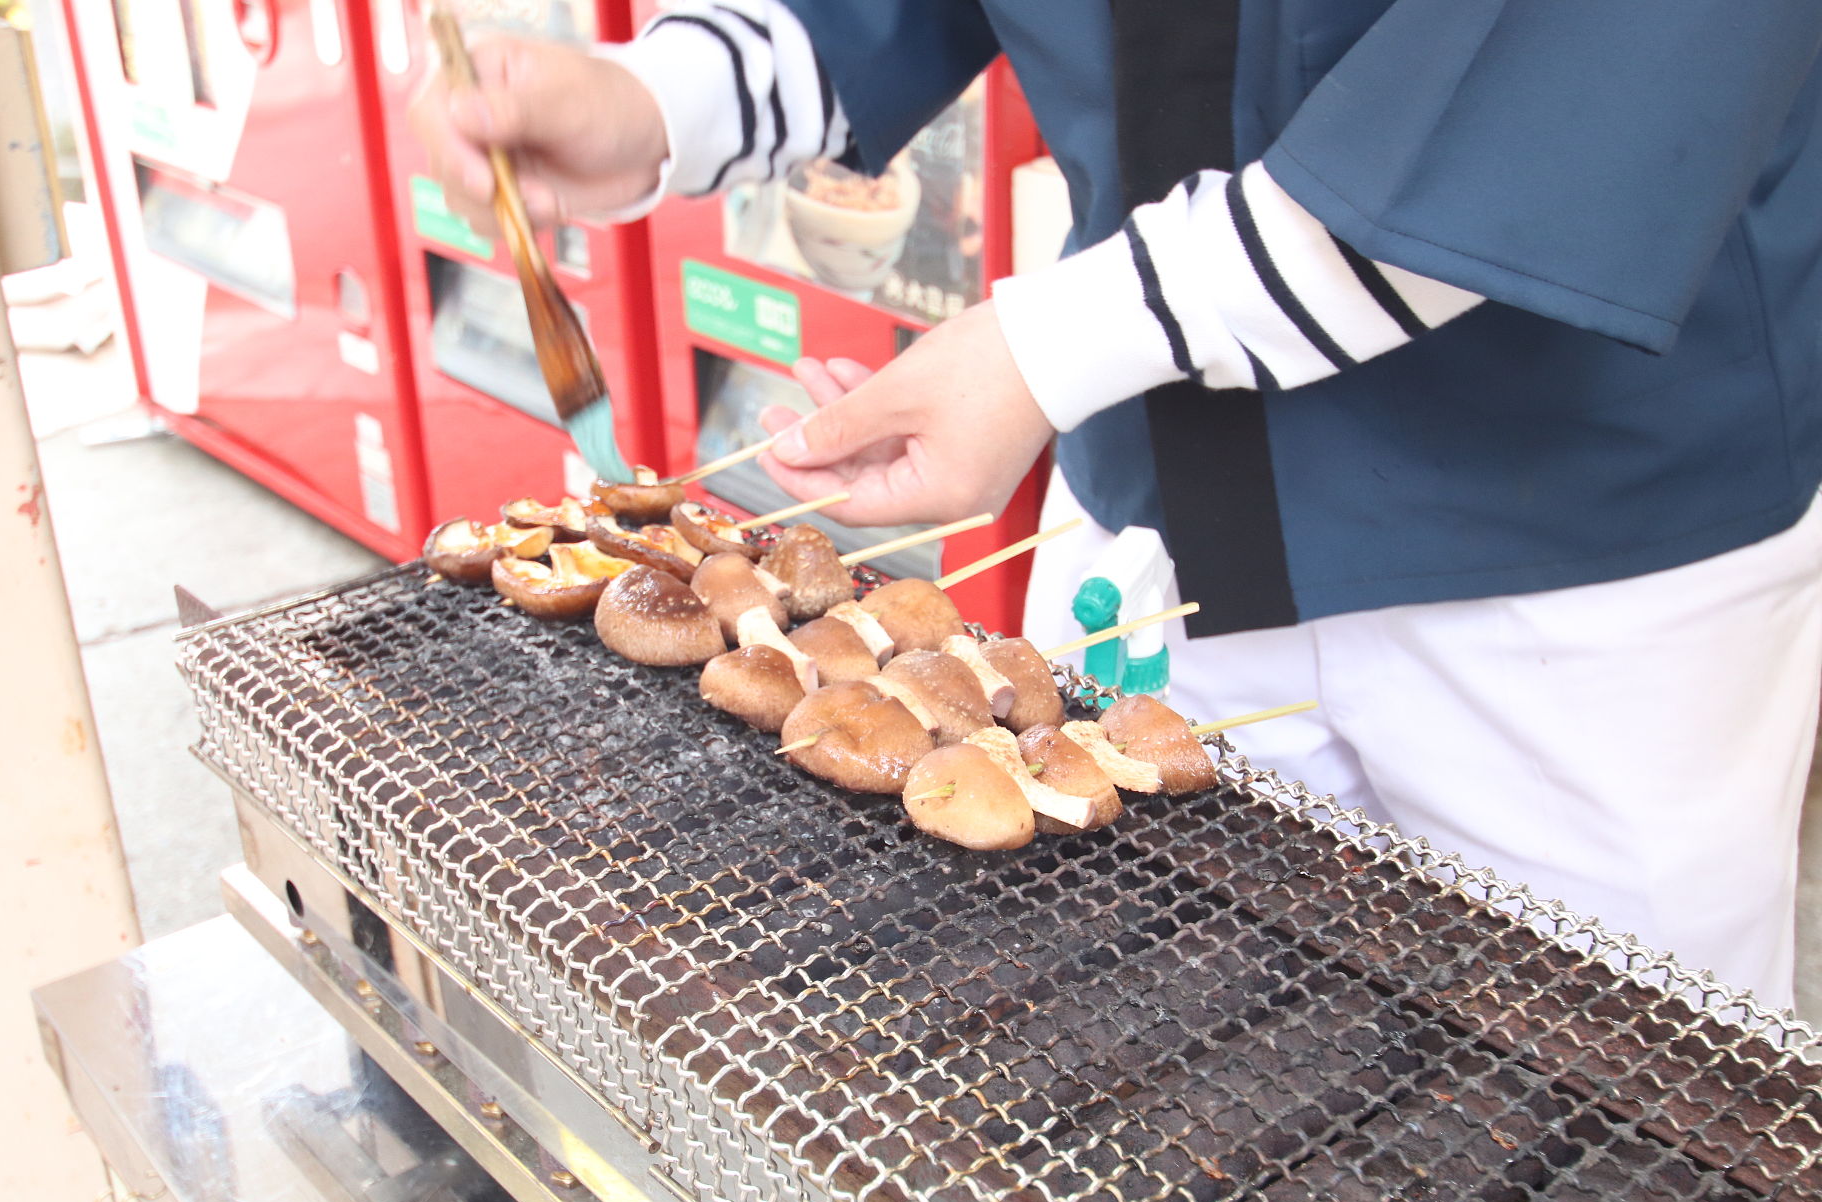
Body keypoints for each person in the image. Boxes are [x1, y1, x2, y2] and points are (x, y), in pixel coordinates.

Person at [412, 1, 1822, 1010]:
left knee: (1619, 1152)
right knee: (1150, 1072)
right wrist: (667, 101)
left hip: (1576, 567)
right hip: (1153, 511)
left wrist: (1044, 351)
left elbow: (1570, 91)